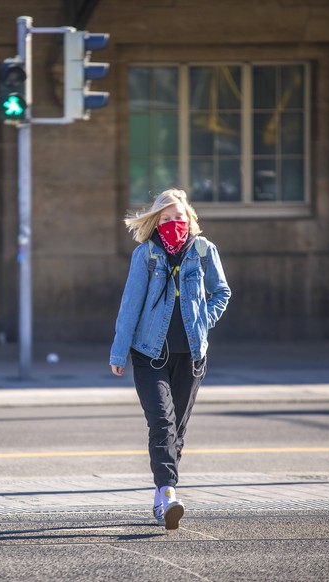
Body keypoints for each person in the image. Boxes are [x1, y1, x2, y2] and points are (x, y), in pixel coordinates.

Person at [110, 188, 231, 530]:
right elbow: (130, 305)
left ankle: (160, 497)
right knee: (162, 423)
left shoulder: (205, 251)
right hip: (149, 354)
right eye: (166, 218)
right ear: (155, 222)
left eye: (179, 217)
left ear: (190, 219)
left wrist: (204, 320)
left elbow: (222, 292)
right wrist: (119, 352)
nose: (173, 223)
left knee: (176, 429)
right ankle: (169, 493)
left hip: (192, 355)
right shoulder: (145, 255)